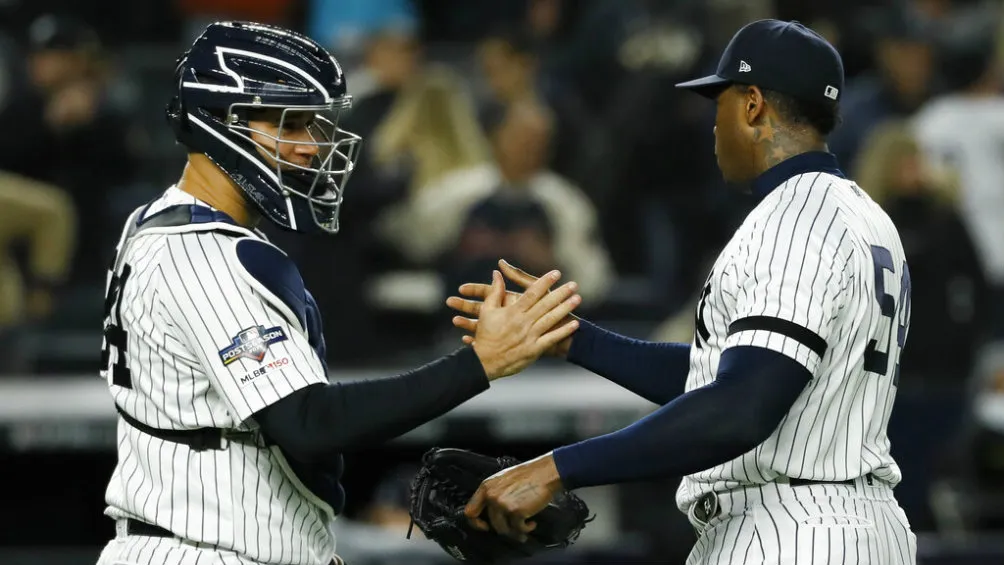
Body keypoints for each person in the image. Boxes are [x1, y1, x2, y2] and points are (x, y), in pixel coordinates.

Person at [94, 21, 581, 565]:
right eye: (291, 125)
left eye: (313, 125)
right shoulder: (204, 254)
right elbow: (310, 424)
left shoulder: (154, 221)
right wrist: (479, 365)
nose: (310, 146)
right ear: (222, 123)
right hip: (209, 548)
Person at [448, 19, 917, 564]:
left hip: (790, 532)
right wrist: (576, 339)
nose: (710, 123)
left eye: (718, 102)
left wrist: (557, 468)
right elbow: (730, 376)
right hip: (855, 525)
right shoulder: (864, 214)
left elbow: (739, 407)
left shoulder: (791, 221)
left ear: (752, 105)